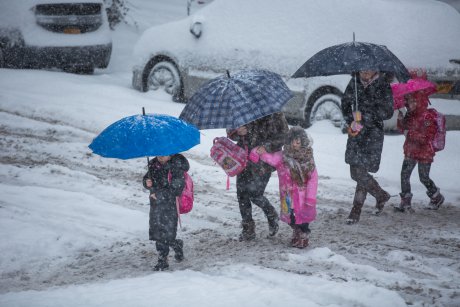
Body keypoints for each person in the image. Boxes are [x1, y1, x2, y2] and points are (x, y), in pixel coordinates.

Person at [341, 70, 394, 224]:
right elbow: (345, 103)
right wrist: (351, 119)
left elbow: (388, 111)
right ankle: (380, 195)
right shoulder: (354, 82)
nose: (365, 72)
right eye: (362, 69)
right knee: (355, 171)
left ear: (376, 70)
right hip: (357, 132)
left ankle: (356, 210)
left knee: (361, 171)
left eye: (369, 69)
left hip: (373, 134)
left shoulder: (383, 84)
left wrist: (367, 114)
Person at [227, 112, 289, 241]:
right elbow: (230, 130)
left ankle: (271, 214)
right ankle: (248, 228)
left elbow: (284, 137)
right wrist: (237, 132)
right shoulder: (242, 109)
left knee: (255, 194)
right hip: (243, 158)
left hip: (263, 162)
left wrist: (267, 147)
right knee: (242, 194)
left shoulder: (275, 113)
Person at [255, 126, 318, 248]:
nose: (296, 143)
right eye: (293, 140)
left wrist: (310, 197)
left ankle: (304, 234)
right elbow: (271, 158)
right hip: (288, 194)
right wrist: (261, 153)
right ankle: (296, 231)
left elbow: (313, 178)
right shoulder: (283, 156)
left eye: (299, 140)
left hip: (303, 196)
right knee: (291, 216)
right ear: (288, 141)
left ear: (303, 141)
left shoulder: (307, 158)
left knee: (304, 218)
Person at [394, 91, 444, 212]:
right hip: (411, 150)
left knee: (424, 177)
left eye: (413, 101)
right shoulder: (410, 114)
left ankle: (436, 196)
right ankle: (405, 202)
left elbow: (426, 137)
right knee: (404, 175)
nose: (409, 104)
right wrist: (400, 121)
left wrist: (409, 133)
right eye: (408, 101)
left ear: (420, 102)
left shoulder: (427, 117)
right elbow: (403, 128)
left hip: (424, 152)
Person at [142, 154, 189, 271]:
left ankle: (163, 259)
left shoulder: (176, 166)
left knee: (167, 232)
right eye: (158, 154)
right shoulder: (153, 164)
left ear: (171, 154)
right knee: (158, 232)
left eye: (164, 155)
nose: (161, 157)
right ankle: (170, 252)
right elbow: (147, 179)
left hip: (170, 205)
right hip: (156, 204)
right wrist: (146, 182)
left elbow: (176, 188)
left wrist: (158, 194)